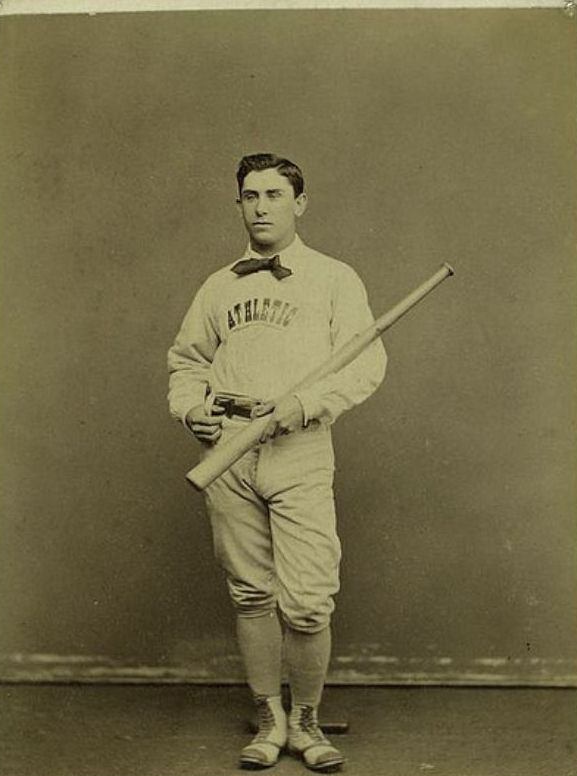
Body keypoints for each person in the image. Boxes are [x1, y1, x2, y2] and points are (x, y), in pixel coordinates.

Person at [167, 153, 387, 772]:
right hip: (228, 446)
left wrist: (306, 404)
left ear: (300, 203)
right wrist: (191, 413)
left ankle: (308, 722)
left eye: (273, 195)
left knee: (310, 598)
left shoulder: (335, 278)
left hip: (299, 443)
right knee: (250, 592)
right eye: (250, 196)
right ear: (238, 205)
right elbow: (186, 362)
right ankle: (271, 717)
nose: (261, 206)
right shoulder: (219, 284)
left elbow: (366, 365)